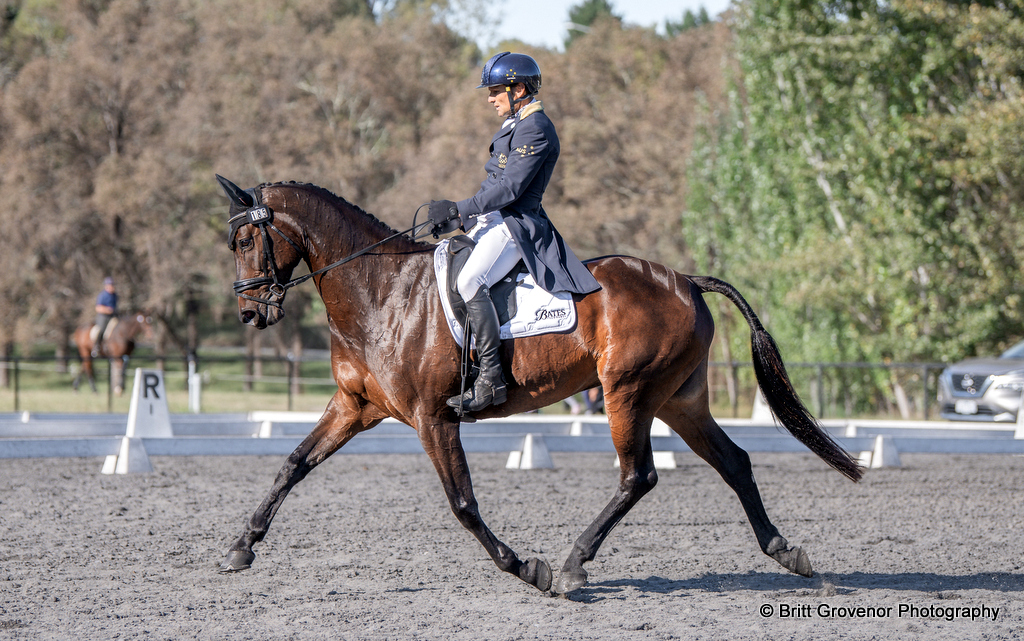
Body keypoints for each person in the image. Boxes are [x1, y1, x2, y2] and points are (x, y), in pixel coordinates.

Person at [429, 51, 601, 414]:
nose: (490, 97)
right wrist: (462, 219)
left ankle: (491, 378)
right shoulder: (513, 125)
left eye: (495, 90)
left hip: (517, 224)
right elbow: (493, 183)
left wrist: (462, 208)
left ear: (518, 88)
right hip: (495, 220)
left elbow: (510, 189)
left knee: (471, 282)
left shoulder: (535, 128)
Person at [92, 277, 118, 357]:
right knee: (102, 328)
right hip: (103, 316)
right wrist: (108, 310)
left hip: (113, 316)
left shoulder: (115, 295)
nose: (112, 287)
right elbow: (98, 308)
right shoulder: (102, 295)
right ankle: (96, 346)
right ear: (106, 286)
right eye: (110, 285)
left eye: (112, 285)